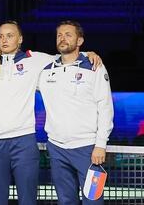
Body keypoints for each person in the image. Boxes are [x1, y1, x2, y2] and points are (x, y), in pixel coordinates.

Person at [0, 21, 102, 205]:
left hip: (25, 141)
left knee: (28, 200)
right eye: (1, 36)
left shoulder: (35, 60)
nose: (4, 40)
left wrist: (87, 54)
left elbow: (65, 56)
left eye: (10, 35)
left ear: (20, 39)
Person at [38, 21, 113, 204]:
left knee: (93, 201)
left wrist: (100, 144)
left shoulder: (94, 67)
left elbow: (105, 106)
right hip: (56, 148)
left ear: (80, 40)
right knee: (65, 201)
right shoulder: (45, 70)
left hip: (87, 149)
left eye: (68, 34)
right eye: (59, 35)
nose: (62, 38)